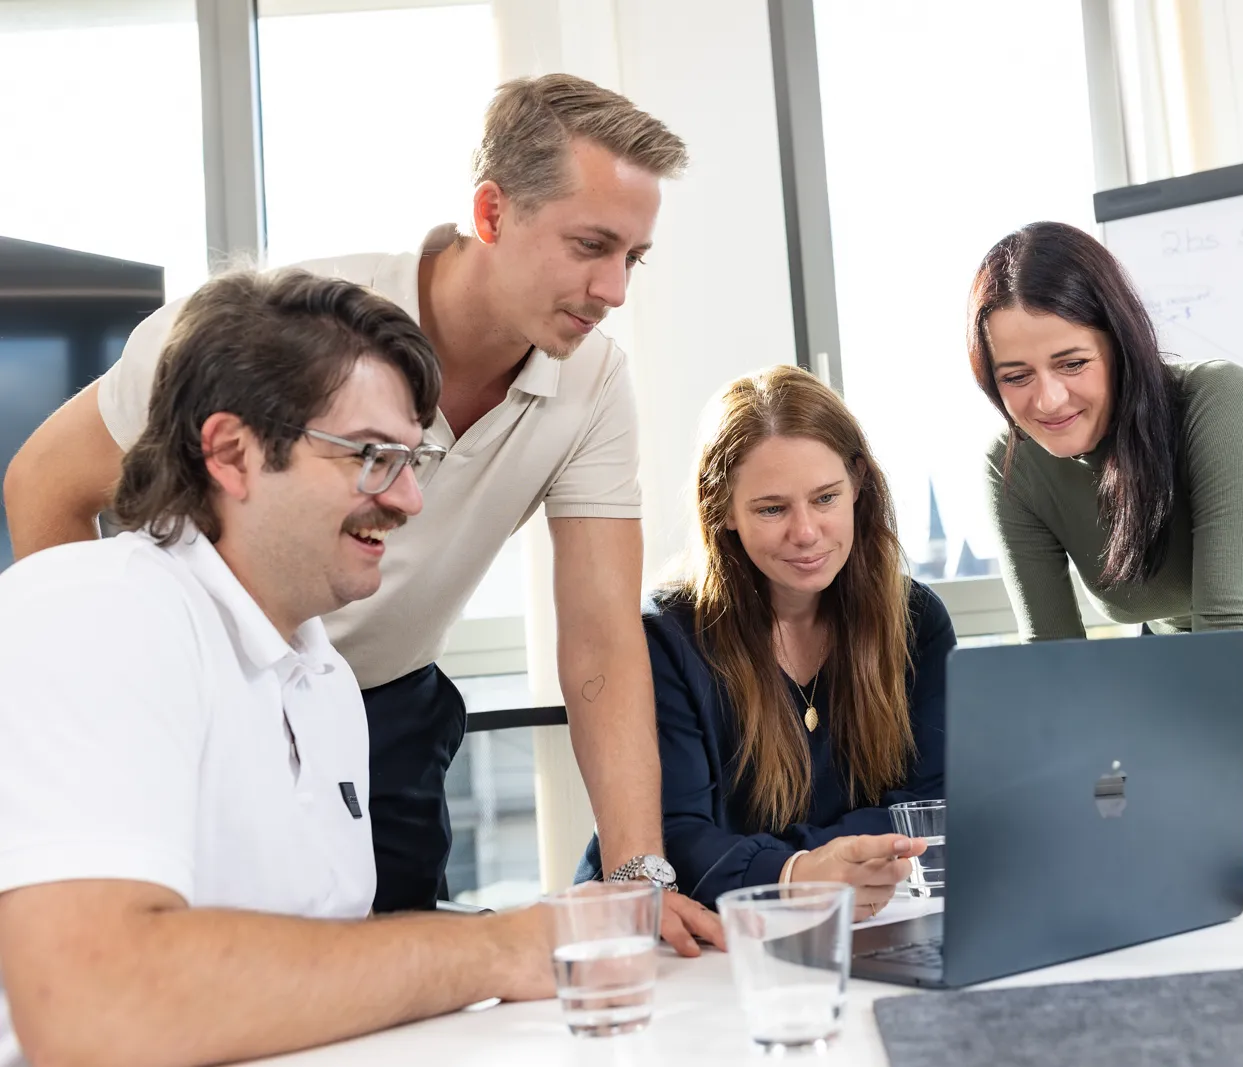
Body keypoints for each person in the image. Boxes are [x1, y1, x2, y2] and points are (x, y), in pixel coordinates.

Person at [1, 74, 721, 948]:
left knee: (387, 970)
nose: (613, 290)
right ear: (491, 214)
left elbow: (602, 639)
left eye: (633, 258)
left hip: (377, 707)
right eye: (590, 245)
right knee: (192, 962)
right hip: (209, 686)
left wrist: (637, 878)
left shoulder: (596, 383)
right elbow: (43, 482)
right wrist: (90, 690)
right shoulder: (276, 335)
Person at [0, 270, 564, 1067]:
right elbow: (93, 1006)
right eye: (371, 455)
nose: (409, 499)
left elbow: (314, 967)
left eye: (411, 458)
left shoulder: (324, 678)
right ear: (232, 452)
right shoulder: (96, 610)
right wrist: (492, 949)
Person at [968, 222, 1243, 879]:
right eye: (1016, 375)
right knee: (1176, 897)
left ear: (1119, 343)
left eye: (1072, 362)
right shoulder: (1013, 470)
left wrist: (1240, 832)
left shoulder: (1219, 401)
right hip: (1179, 686)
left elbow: (1228, 618)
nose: (1048, 398)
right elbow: (1053, 659)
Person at [582, 365, 953, 917]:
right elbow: (673, 841)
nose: (804, 532)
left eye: (825, 498)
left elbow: (939, 803)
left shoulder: (915, 618)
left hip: (858, 922)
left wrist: (794, 865)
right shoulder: (664, 639)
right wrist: (801, 872)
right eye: (772, 508)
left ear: (858, 484)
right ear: (725, 510)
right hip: (677, 934)